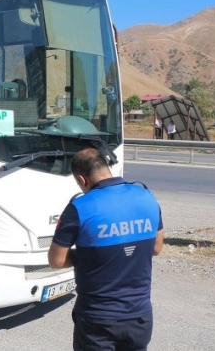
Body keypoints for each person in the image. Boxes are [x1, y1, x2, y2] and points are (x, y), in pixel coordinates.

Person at [48, 147, 164, 351]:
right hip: (140, 317)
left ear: (82, 180)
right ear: (106, 167)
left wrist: (89, 256)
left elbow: (56, 260)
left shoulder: (79, 207)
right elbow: (156, 247)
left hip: (97, 320)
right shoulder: (146, 196)